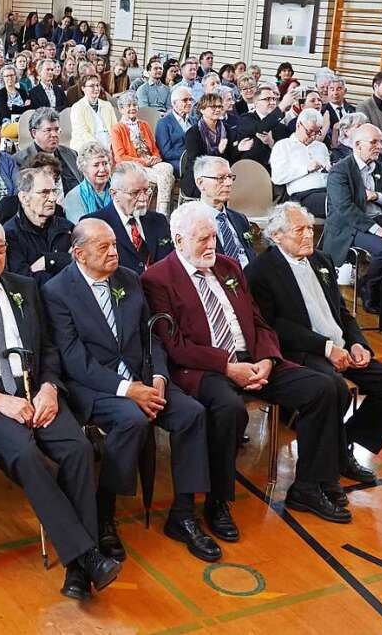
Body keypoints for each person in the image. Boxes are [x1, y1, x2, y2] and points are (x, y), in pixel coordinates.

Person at [0, 217, 120, 599]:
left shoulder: (25, 286)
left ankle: (76, 571)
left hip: (36, 391)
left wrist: (49, 389)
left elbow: (48, 347)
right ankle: (86, 556)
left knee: (78, 449)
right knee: (25, 454)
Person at [144, 202, 350, 535]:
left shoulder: (227, 267)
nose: (211, 245)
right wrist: (228, 368)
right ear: (179, 240)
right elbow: (175, 346)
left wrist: (267, 359)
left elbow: (259, 321)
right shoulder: (157, 278)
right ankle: (217, 501)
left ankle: (309, 486)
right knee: (229, 410)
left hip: (254, 360)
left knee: (324, 388)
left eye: (213, 237)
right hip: (207, 368)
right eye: (202, 239)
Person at [43, 220, 217, 562]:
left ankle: (183, 514)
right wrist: (128, 390)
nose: (114, 252)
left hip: (143, 378)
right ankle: (105, 513)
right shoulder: (56, 292)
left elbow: (151, 335)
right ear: (78, 254)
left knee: (192, 414)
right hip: (95, 386)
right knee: (132, 420)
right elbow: (74, 360)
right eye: (104, 247)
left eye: (114, 244)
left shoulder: (128, 279)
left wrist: (159, 379)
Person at [246, 203, 382, 488]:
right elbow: (276, 328)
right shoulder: (260, 272)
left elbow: (342, 311)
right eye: (299, 230)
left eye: (310, 228)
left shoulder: (321, 261)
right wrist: (326, 348)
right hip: (303, 352)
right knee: (334, 388)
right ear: (276, 235)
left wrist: (359, 343)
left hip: (341, 346)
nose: (309, 235)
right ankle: (326, 467)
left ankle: (343, 445)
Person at [321, 124, 382, 314]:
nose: (379, 147)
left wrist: (375, 195)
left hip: (378, 219)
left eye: (381, 142)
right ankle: (369, 288)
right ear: (358, 145)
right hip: (349, 227)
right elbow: (345, 209)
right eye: (374, 142)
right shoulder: (340, 171)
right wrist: (376, 229)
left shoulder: (379, 165)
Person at [87, 162, 173, 274]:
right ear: (114, 194)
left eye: (146, 191)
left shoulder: (159, 221)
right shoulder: (95, 224)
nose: (143, 198)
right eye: (135, 193)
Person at [4, 167, 73, 286]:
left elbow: (84, 265)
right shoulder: (10, 234)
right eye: (44, 193)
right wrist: (65, 261)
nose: (53, 199)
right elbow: (24, 282)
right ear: (24, 198)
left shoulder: (66, 228)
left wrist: (49, 261)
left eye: (54, 191)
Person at [111, 91, 174, 214]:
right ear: (121, 109)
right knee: (168, 177)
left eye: (134, 105)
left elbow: (154, 148)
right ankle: (162, 212)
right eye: (128, 106)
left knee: (168, 167)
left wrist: (156, 157)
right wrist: (143, 161)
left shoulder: (144, 125)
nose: (132, 108)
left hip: (150, 163)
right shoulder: (117, 128)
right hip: (132, 166)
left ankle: (161, 211)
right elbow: (120, 158)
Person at [194, 156, 256, 268]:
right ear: (200, 183)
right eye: (220, 178)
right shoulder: (192, 221)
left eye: (230, 177)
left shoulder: (240, 219)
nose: (228, 183)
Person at [270, 108, 331, 217]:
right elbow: (277, 177)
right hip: (302, 195)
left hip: (327, 189)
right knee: (335, 202)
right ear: (298, 125)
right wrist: (306, 169)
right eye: (310, 132)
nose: (313, 137)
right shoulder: (283, 145)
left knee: (349, 197)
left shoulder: (321, 146)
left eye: (317, 132)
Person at [14, 108, 81, 196]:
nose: (54, 135)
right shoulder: (19, 161)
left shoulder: (71, 155)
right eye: (48, 130)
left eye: (56, 130)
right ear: (34, 133)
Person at [182, 94, 235, 199]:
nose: (217, 110)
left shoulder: (227, 130)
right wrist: (217, 151)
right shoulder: (193, 133)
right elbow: (196, 162)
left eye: (219, 107)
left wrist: (239, 149)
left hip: (223, 176)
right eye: (213, 107)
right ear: (202, 110)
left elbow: (231, 158)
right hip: (198, 178)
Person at [63, 141, 111, 222]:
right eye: (96, 165)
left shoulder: (119, 189)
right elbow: (81, 228)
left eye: (105, 163)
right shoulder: (73, 197)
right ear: (84, 169)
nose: (102, 169)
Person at [71, 76, 118, 153]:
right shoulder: (77, 107)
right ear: (83, 88)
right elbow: (83, 133)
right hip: (87, 146)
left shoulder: (107, 105)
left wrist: (114, 144)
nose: (96, 89)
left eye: (97, 85)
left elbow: (115, 127)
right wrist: (99, 148)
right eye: (92, 86)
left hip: (109, 144)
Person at [155, 86, 194, 175]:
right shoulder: (164, 123)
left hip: (195, 158)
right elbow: (166, 153)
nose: (189, 103)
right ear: (174, 103)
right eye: (185, 100)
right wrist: (189, 153)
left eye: (190, 99)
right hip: (176, 161)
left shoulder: (194, 120)